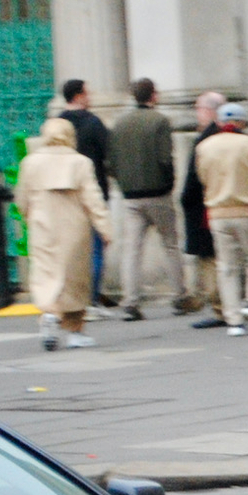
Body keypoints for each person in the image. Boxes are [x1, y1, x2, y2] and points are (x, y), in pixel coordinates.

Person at [17, 118, 111, 350]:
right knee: (74, 280)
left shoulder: (30, 162)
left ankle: (49, 314)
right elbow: (93, 199)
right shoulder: (80, 162)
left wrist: (28, 218)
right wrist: (105, 228)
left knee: (45, 274)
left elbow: (21, 199)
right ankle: (75, 331)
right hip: (74, 228)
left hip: (42, 227)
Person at [194, 101, 248, 337]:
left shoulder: (205, 146)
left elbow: (202, 178)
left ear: (219, 122)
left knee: (227, 267)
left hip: (218, 212)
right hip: (247, 209)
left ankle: (234, 321)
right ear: (242, 122)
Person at [108, 78, 178, 320]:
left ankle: (130, 301)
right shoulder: (159, 121)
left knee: (132, 250)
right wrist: (169, 183)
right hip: (158, 192)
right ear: (153, 95)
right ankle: (180, 295)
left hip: (130, 197)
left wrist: (123, 183)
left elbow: (112, 163)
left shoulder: (119, 123)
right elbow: (165, 159)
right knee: (170, 244)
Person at [57, 79, 113, 307]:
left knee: (70, 251)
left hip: (63, 194)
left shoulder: (57, 123)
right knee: (96, 251)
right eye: (87, 93)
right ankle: (90, 300)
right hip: (92, 191)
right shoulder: (93, 123)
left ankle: (72, 297)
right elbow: (109, 153)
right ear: (78, 96)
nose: (89, 97)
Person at [177, 89, 225, 318]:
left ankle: (220, 308)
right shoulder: (234, 135)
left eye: (198, 108)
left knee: (211, 260)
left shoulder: (206, 139)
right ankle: (225, 307)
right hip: (222, 204)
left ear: (209, 111)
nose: (197, 113)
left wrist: (185, 199)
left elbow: (195, 178)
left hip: (206, 207)